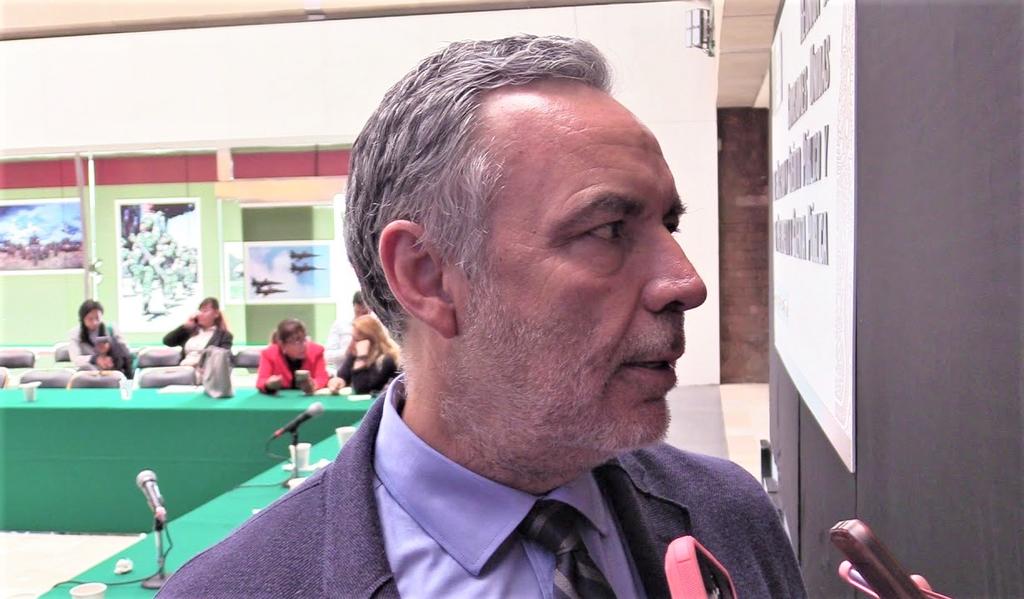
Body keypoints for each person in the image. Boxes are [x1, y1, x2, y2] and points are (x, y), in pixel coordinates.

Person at [159, 35, 806, 598]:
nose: (686, 283)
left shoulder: (728, 513)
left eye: (669, 224)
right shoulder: (239, 588)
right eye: (609, 229)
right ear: (427, 276)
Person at [256, 318, 343, 395]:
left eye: (304, 339)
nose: (304, 345)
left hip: (308, 400)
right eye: (297, 341)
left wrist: (313, 384)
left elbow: (322, 377)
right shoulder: (269, 354)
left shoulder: (316, 352)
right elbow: (261, 381)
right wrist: (268, 384)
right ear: (282, 344)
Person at [67, 300, 133, 378]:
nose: (94, 322)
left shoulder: (112, 329)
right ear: (82, 319)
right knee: (88, 369)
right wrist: (95, 359)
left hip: (114, 371)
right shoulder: (75, 334)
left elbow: (126, 353)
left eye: (97, 318)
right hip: (89, 373)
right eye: (90, 319)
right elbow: (75, 358)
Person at [336, 314, 400, 394]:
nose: (354, 343)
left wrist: (361, 358)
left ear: (371, 338)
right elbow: (343, 376)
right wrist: (338, 381)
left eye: (357, 339)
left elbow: (362, 388)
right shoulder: (355, 353)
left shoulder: (387, 358)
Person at [162, 297, 233, 366]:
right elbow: (167, 341)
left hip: (205, 371)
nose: (200, 314)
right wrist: (185, 326)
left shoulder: (223, 335)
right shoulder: (191, 331)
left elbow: (223, 358)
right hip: (184, 369)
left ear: (216, 314)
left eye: (205, 311)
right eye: (200, 311)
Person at [324, 291, 371, 371]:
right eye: (358, 311)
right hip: (344, 375)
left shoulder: (377, 326)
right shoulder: (340, 324)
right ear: (353, 306)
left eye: (365, 313)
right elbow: (327, 356)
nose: (361, 316)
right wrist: (347, 352)